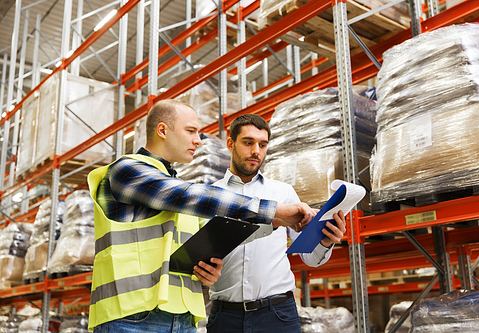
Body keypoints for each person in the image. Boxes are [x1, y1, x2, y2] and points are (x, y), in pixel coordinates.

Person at [86, 100, 317, 333]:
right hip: (131, 319)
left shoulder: (177, 190)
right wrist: (273, 211)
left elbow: (217, 235)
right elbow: (190, 196)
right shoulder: (127, 170)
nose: (198, 140)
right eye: (191, 131)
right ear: (163, 130)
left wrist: (208, 269)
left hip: (183, 318)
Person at [206, 114, 347, 333]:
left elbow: (310, 257)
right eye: (248, 142)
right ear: (230, 143)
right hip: (225, 317)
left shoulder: (282, 192)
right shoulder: (210, 195)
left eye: (262, 145)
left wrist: (325, 242)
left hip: (278, 315)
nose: (256, 151)